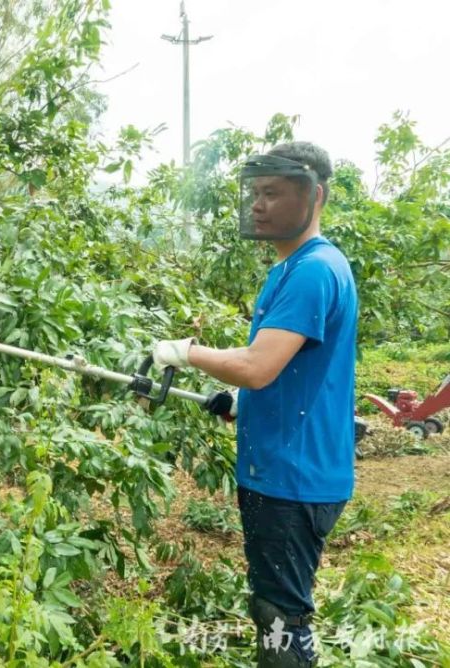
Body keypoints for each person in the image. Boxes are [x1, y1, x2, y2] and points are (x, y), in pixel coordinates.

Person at [152, 142, 358, 667]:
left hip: (291, 480)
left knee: (280, 616)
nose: (259, 205)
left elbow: (259, 365)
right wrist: (242, 403)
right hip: (285, 467)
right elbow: (287, 374)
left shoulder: (314, 270)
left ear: (316, 196)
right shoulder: (290, 269)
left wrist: (188, 351)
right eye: (257, 193)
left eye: (275, 193)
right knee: (275, 606)